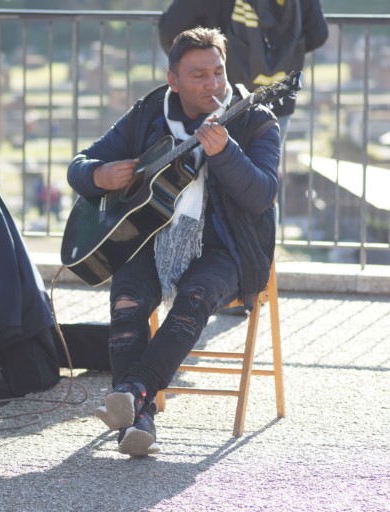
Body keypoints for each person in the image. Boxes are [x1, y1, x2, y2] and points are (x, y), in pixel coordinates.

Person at [66, 27, 279, 456]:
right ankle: (139, 421)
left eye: (218, 71)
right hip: (148, 240)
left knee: (194, 297)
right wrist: (98, 175)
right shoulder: (149, 113)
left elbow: (262, 195)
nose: (213, 83)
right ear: (173, 80)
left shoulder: (254, 119)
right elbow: (79, 165)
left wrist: (225, 153)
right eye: (198, 75)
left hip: (228, 248)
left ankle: (134, 392)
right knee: (126, 301)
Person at [158, 0, 328, 146]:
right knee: (265, 168)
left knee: (213, 168)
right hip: (279, 95)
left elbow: (171, 29)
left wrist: (201, 67)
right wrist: (283, 57)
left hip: (222, 100)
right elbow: (318, 33)